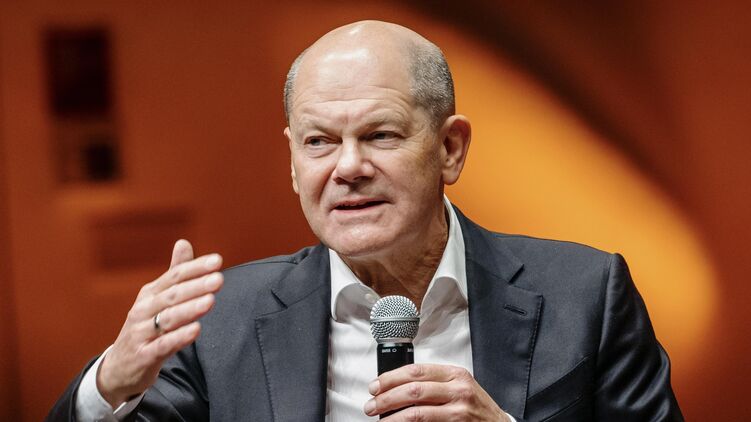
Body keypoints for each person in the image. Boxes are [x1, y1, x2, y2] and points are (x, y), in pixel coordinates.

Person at [48, 20, 683, 421]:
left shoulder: (586, 295)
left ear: (450, 149)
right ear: (293, 164)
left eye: (380, 135)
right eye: (319, 142)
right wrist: (109, 384)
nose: (347, 167)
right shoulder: (219, 323)